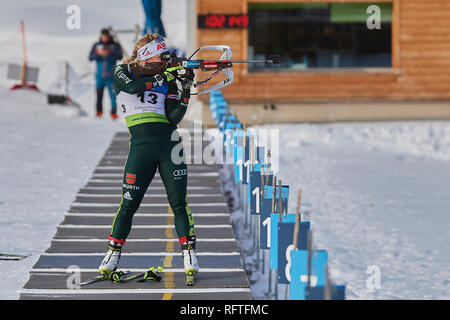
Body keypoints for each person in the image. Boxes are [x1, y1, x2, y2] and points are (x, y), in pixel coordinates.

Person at [98, 33, 198, 278]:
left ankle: (189, 254)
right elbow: (132, 87)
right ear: (144, 56)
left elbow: (173, 118)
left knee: (179, 203)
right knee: (129, 203)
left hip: (168, 144)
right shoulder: (123, 71)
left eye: (166, 57)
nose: (165, 61)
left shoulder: (168, 77)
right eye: (160, 56)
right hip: (141, 146)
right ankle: (112, 253)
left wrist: (184, 88)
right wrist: (163, 76)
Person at [89, 29, 123, 119]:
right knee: (99, 95)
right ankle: (99, 112)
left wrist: (109, 52)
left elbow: (120, 56)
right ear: (101, 36)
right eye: (103, 36)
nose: (104, 38)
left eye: (106, 36)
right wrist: (99, 53)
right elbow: (90, 57)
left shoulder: (114, 45)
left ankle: (113, 113)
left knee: (113, 96)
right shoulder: (96, 45)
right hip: (99, 76)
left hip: (111, 76)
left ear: (109, 36)